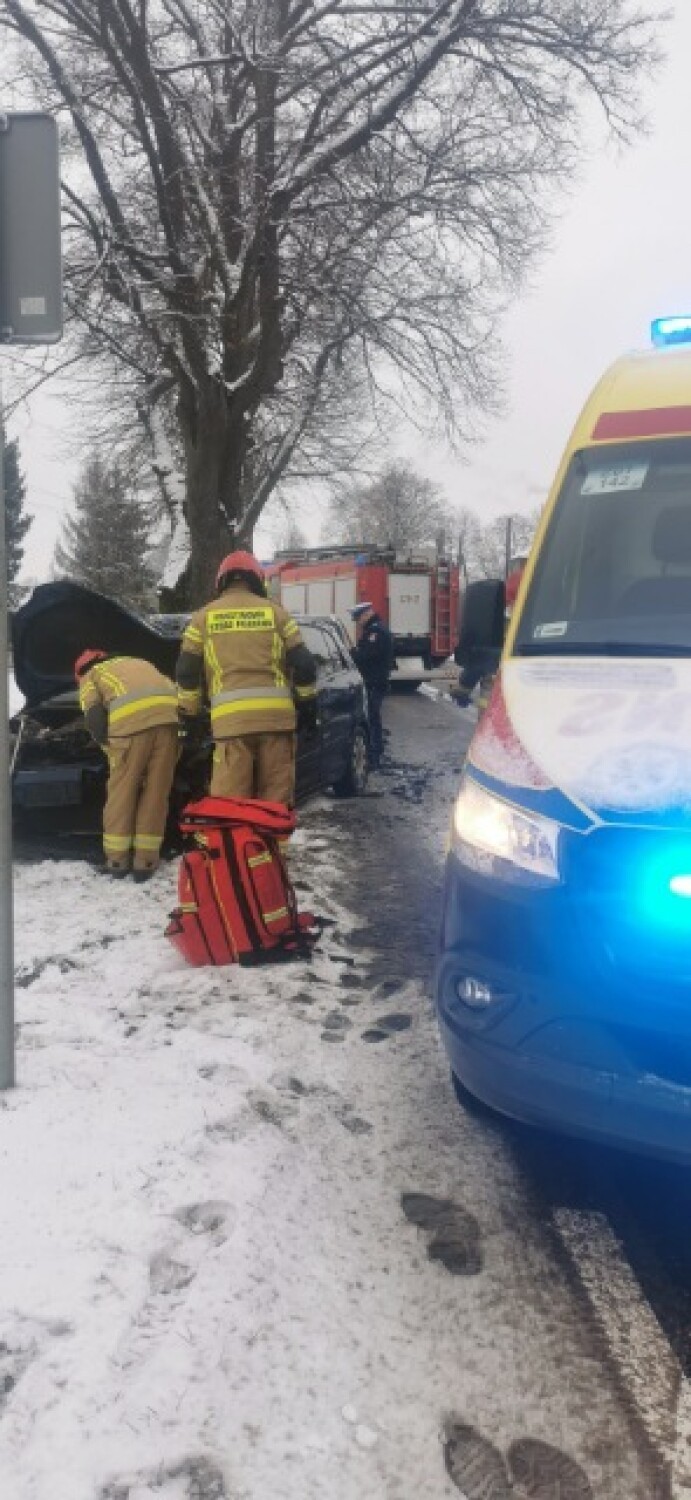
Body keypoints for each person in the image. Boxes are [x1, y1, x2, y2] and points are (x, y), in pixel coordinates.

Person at [175, 550, 317, 805]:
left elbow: (186, 671)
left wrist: (189, 713)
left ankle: (238, 846)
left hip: (231, 726)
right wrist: (307, 703)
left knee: (231, 806)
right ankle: (273, 846)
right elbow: (305, 664)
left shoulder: (202, 618)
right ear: (257, 580)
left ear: (221, 581)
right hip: (277, 723)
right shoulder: (277, 614)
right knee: (275, 804)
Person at [75, 649, 179, 881]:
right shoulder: (140, 660)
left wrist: (108, 746)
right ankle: (146, 862)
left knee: (122, 793)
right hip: (168, 724)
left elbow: (94, 719)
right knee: (156, 794)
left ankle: (117, 861)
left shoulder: (91, 676)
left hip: (131, 730)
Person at [349, 601, 393, 769]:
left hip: (374, 682)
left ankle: (374, 756)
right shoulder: (376, 629)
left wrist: (352, 653)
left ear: (367, 614)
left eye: (359, 618)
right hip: (375, 680)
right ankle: (375, 752)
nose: (358, 622)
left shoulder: (375, 632)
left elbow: (365, 656)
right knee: (373, 717)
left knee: (372, 718)